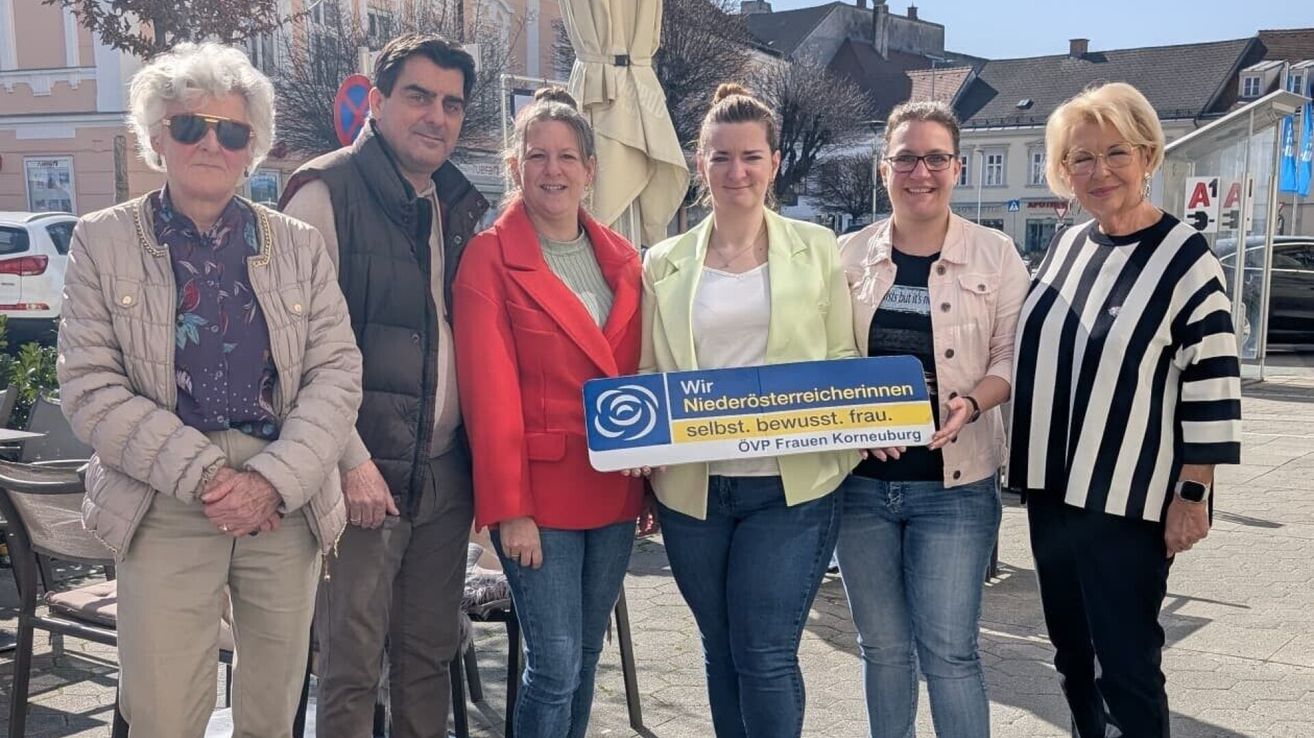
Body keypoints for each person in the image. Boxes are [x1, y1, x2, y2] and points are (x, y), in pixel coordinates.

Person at [57, 42, 362, 738]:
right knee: (163, 713)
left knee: (273, 712)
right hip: (161, 490)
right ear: (158, 135)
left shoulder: (298, 245)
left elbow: (337, 373)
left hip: (283, 498)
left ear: (252, 147)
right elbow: (89, 387)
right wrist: (207, 477)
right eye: (191, 125)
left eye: (232, 132)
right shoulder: (103, 240)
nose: (210, 144)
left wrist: (272, 482)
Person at [1010, 82, 1242, 738]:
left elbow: (1214, 383)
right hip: (1053, 493)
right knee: (1071, 659)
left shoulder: (1185, 257)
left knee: (1126, 664)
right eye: (1081, 158)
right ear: (1063, 170)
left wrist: (1193, 495)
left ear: (1147, 156)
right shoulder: (1067, 246)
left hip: (1128, 503)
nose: (1100, 171)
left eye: (1116, 152)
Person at [279, 33, 490, 738]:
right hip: (361, 478)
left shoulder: (454, 201)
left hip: (443, 471)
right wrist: (350, 461)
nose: (436, 116)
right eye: (418, 96)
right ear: (377, 101)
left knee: (428, 658)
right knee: (350, 669)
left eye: (451, 104)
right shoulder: (324, 192)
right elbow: (293, 355)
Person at [639, 83, 859, 738]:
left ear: (775, 161)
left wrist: (867, 419)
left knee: (763, 653)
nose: (736, 171)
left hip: (791, 489)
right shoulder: (663, 261)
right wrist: (641, 444)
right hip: (693, 492)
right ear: (700, 163)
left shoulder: (817, 247)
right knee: (720, 648)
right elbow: (650, 370)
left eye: (751, 156)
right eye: (721, 157)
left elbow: (842, 355)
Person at [452, 86, 644, 738]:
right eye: (537, 156)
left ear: (590, 169)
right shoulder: (489, 258)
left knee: (586, 657)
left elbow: (639, 376)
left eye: (566, 157)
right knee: (555, 664)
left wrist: (651, 478)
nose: (552, 170)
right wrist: (510, 509)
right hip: (539, 498)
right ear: (516, 167)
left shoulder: (624, 260)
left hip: (613, 489)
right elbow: (488, 395)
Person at [835, 101, 1029, 737]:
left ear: (958, 167)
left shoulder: (996, 254)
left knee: (950, 653)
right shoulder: (845, 256)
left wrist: (973, 402)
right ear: (883, 168)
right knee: (882, 649)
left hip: (957, 486)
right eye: (906, 159)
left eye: (936, 158)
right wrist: (856, 420)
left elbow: (1010, 357)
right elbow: (825, 357)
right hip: (860, 486)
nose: (921, 173)